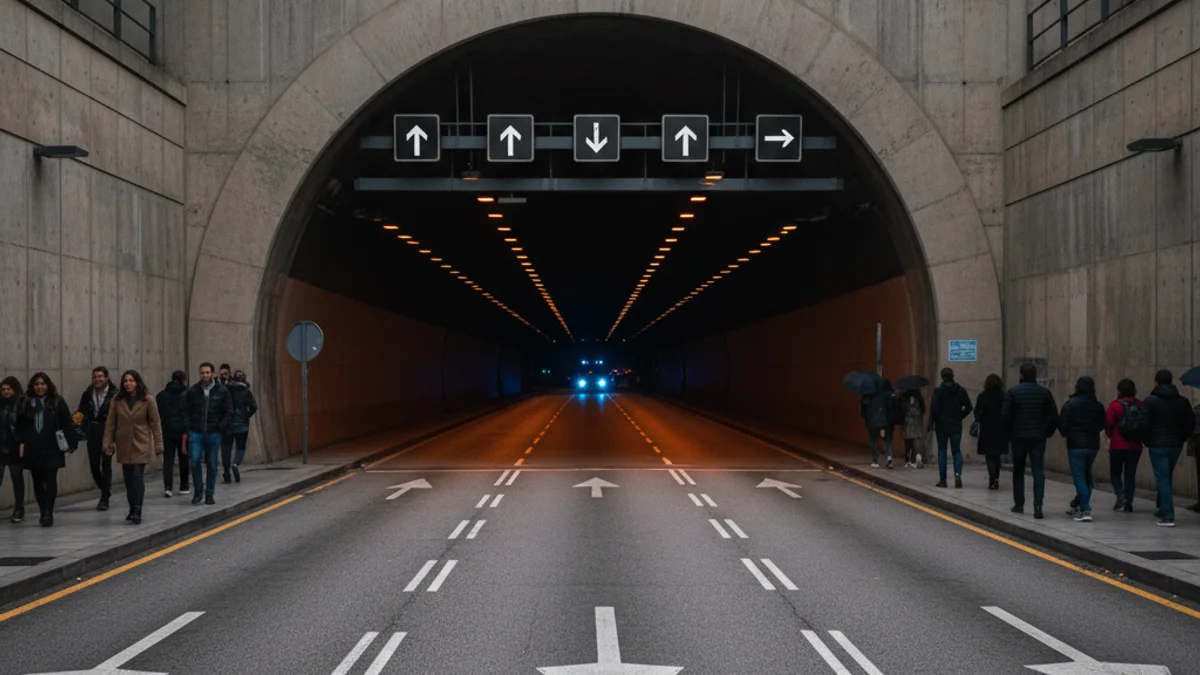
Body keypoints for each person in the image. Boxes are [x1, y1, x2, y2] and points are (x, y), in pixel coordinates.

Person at [17, 373, 78, 526]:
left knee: (50, 479)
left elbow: (67, 423)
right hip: (33, 447)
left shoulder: (57, 401)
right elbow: (20, 425)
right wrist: (21, 443)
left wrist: (71, 443)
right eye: (36, 384)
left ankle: (48, 512)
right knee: (37, 481)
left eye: (42, 384)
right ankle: (43, 510)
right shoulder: (26, 401)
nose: (39, 387)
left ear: (48, 385)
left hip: (52, 447)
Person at [104, 371, 164, 524]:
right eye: (125, 381)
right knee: (129, 479)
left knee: (137, 476)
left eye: (131, 380)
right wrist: (107, 442)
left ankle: (137, 509)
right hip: (124, 443)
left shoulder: (147, 399)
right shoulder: (117, 400)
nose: (128, 383)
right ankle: (131, 508)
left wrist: (158, 444)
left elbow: (155, 423)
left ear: (137, 382)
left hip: (141, 442)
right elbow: (110, 423)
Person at [1002, 363, 1058, 519]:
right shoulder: (1045, 393)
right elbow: (1054, 416)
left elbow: (1005, 416)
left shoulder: (1013, 392)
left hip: (1018, 437)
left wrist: (1010, 433)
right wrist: (1047, 432)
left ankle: (1019, 504)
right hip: (1038, 437)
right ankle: (1038, 505)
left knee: (1018, 470)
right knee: (1038, 470)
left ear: (1021, 375)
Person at [1142, 369, 1195, 527]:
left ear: (1156, 382)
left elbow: (1144, 424)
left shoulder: (1150, 401)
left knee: (1163, 479)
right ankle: (1162, 508)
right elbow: (1190, 422)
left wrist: (1147, 440)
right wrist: (1182, 437)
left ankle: (1167, 515)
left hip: (1157, 445)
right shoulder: (1182, 401)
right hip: (1175, 445)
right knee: (1166, 477)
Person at [1057, 376, 1106, 522]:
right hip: (1092, 445)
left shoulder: (1070, 404)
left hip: (1075, 445)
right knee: (1087, 476)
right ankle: (1079, 504)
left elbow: (1063, 425)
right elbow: (1102, 425)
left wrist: (1068, 432)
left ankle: (1085, 509)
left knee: (1079, 477)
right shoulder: (1098, 406)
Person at [185, 362, 232, 505]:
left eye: (207, 373)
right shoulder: (193, 391)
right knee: (195, 461)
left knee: (212, 463)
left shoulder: (222, 391)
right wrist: (188, 427)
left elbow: (228, 411)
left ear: (212, 374)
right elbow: (186, 410)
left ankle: (210, 493)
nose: (204, 375)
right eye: (202, 373)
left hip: (214, 432)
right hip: (196, 432)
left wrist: (221, 426)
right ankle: (198, 492)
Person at [77, 366, 117, 511]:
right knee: (94, 467)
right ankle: (105, 490)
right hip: (92, 432)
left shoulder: (115, 395)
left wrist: (114, 439)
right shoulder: (87, 394)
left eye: (100, 377)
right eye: (95, 377)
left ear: (106, 378)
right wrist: (74, 424)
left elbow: (119, 418)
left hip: (108, 431)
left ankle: (104, 498)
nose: (97, 379)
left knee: (106, 465)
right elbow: (81, 412)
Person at [929, 367, 972, 488]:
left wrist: (933, 421)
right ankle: (957, 474)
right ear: (952, 376)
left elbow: (933, 409)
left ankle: (943, 480)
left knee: (942, 451)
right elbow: (968, 406)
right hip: (955, 425)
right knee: (956, 451)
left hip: (942, 425)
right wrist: (960, 415)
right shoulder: (960, 390)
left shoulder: (938, 391)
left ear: (942, 377)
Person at [1105, 379, 1143, 513]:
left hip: (1117, 444)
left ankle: (1120, 495)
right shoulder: (1140, 404)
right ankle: (1129, 503)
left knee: (1115, 473)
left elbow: (1108, 423)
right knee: (1130, 475)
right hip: (1135, 445)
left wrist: (1110, 435)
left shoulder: (1114, 405)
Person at [156, 371, 190, 498]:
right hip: (183, 431)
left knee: (168, 460)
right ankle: (184, 486)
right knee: (184, 458)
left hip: (167, 430)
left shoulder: (162, 395)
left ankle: (168, 487)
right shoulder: (188, 393)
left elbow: (159, 412)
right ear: (183, 380)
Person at [221, 369, 257, 484]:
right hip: (242, 423)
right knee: (240, 447)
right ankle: (235, 464)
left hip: (228, 423)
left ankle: (226, 472)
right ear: (244, 379)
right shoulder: (246, 391)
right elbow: (254, 406)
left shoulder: (227, 389)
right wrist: (246, 415)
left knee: (226, 447)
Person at [974, 374, 1008, 490]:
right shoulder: (1003, 396)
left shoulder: (983, 396)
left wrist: (981, 418)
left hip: (987, 429)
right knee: (997, 455)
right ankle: (996, 478)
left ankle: (992, 478)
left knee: (989, 456)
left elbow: (977, 412)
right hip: (1000, 429)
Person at [0, 376, 24, 523]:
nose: (5, 392)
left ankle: (19, 508)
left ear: (14, 390)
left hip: (15, 449)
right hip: (1, 448)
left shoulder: (21, 405)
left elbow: (25, 426)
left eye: (8, 389)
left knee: (17, 479)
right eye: (3, 389)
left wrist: (23, 443)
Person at [860, 379, 896, 469]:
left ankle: (875, 461)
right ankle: (889, 456)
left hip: (872, 422)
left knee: (873, 440)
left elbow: (863, 410)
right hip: (884, 421)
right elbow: (890, 407)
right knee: (887, 439)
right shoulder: (885, 395)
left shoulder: (867, 396)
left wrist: (866, 418)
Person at [899, 388, 925, 468]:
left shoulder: (904, 397)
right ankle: (912, 459)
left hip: (908, 423)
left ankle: (908, 459)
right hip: (915, 423)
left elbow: (902, 409)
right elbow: (923, 409)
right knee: (914, 442)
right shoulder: (919, 397)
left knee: (908, 442)